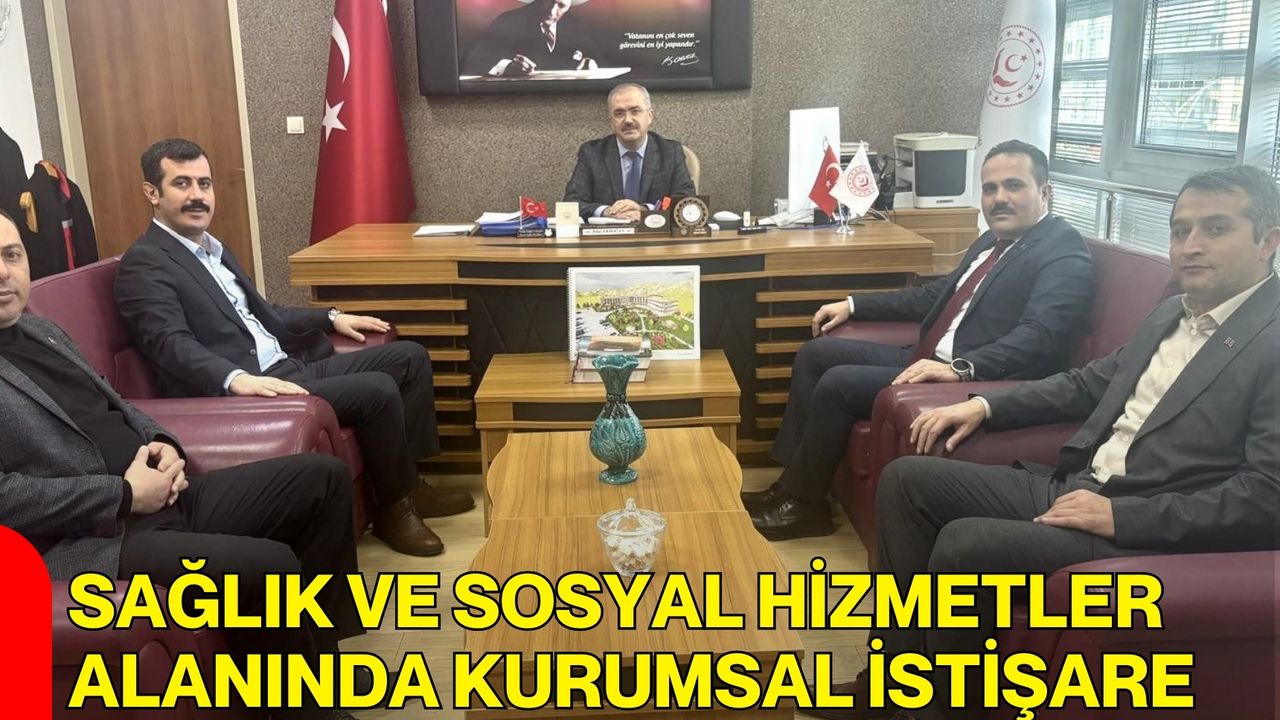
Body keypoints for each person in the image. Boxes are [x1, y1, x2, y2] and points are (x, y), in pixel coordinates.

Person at [811, 165, 1280, 720]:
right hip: (1079, 484)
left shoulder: (1270, 340)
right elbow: (1088, 383)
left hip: (1145, 523)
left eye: (1216, 229)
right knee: (907, 481)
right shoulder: (1171, 314)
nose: (1191, 245)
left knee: (966, 545)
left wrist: (1123, 517)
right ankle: (893, 684)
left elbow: (1265, 495)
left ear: (1267, 242)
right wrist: (984, 404)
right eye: (1181, 231)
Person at [0, 208, 366, 720]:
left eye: (11, 255)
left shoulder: (42, 331)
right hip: (98, 537)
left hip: (169, 491)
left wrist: (163, 442)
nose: (4, 273)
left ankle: (320, 663)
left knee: (321, 480)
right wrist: (124, 495)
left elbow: (118, 405)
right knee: (268, 566)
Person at [114, 138, 473, 559]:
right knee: (376, 390)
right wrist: (236, 378)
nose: (198, 195)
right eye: (182, 184)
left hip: (291, 366)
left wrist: (330, 317)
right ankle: (394, 511)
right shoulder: (145, 262)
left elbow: (265, 313)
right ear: (152, 192)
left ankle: (410, 484)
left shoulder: (213, 250)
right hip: (253, 387)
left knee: (409, 358)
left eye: (204, 184)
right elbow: (169, 343)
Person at [749, 140, 1095, 540]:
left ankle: (803, 507)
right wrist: (854, 305)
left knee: (838, 383)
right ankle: (791, 486)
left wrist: (962, 369)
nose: (999, 198)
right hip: (927, 357)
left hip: (974, 376)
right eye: (989, 188)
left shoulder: (1062, 249)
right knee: (816, 353)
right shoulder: (992, 241)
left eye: (1013, 185)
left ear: (1045, 191)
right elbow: (936, 295)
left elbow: (1039, 337)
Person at [563, 82, 697, 221]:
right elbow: (572, 203)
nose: (628, 120)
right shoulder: (592, 153)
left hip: (655, 232)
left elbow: (686, 202)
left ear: (650, 116)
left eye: (635, 111)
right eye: (619, 113)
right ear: (611, 122)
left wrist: (645, 210)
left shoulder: (670, 152)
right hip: (609, 233)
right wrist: (607, 211)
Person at [461, 0, 603, 77]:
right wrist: (507, 67)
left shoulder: (577, 27)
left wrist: (591, 64)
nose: (552, 11)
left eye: (561, 5)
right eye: (549, 1)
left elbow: (601, 62)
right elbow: (473, 62)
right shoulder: (508, 21)